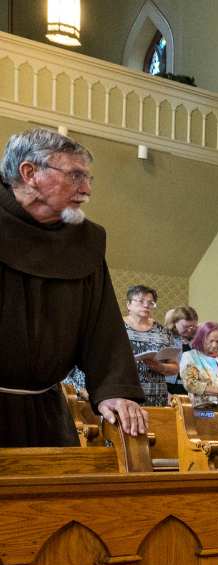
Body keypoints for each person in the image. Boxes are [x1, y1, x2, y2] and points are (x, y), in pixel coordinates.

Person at [0, 127, 146, 445]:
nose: (86, 190)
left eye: (87, 178)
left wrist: (114, 391)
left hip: (45, 415)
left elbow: (102, 327)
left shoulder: (84, 241)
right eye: (75, 176)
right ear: (29, 173)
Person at [122, 284, 178, 407]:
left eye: (150, 303)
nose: (146, 305)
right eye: (141, 301)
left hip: (156, 395)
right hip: (124, 393)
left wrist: (160, 367)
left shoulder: (163, 331)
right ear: (128, 304)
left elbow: (174, 367)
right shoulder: (116, 327)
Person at [179, 321, 218, 408]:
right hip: (201, 409)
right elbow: (190, 384)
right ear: (201, 339)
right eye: (211, 341)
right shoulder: (190, 356)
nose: (214, 345)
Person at [164, 305, 199, 395]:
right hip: (169, 386)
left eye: (193, 327)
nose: (189, 330)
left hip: (193, 388)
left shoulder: (197, 339)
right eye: (185, 326)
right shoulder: (165, 338)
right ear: (175, 322)